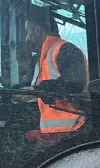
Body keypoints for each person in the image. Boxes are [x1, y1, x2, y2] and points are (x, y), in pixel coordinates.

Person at [20, 6, 88, 138]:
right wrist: (18, 92)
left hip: (74, 131)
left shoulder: (66, 50)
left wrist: (35, 90)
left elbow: (74, 84)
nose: (27, 39)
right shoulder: (40, 59)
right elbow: (36, 87)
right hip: (53, 133)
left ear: (37, 30)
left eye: (27, 32)